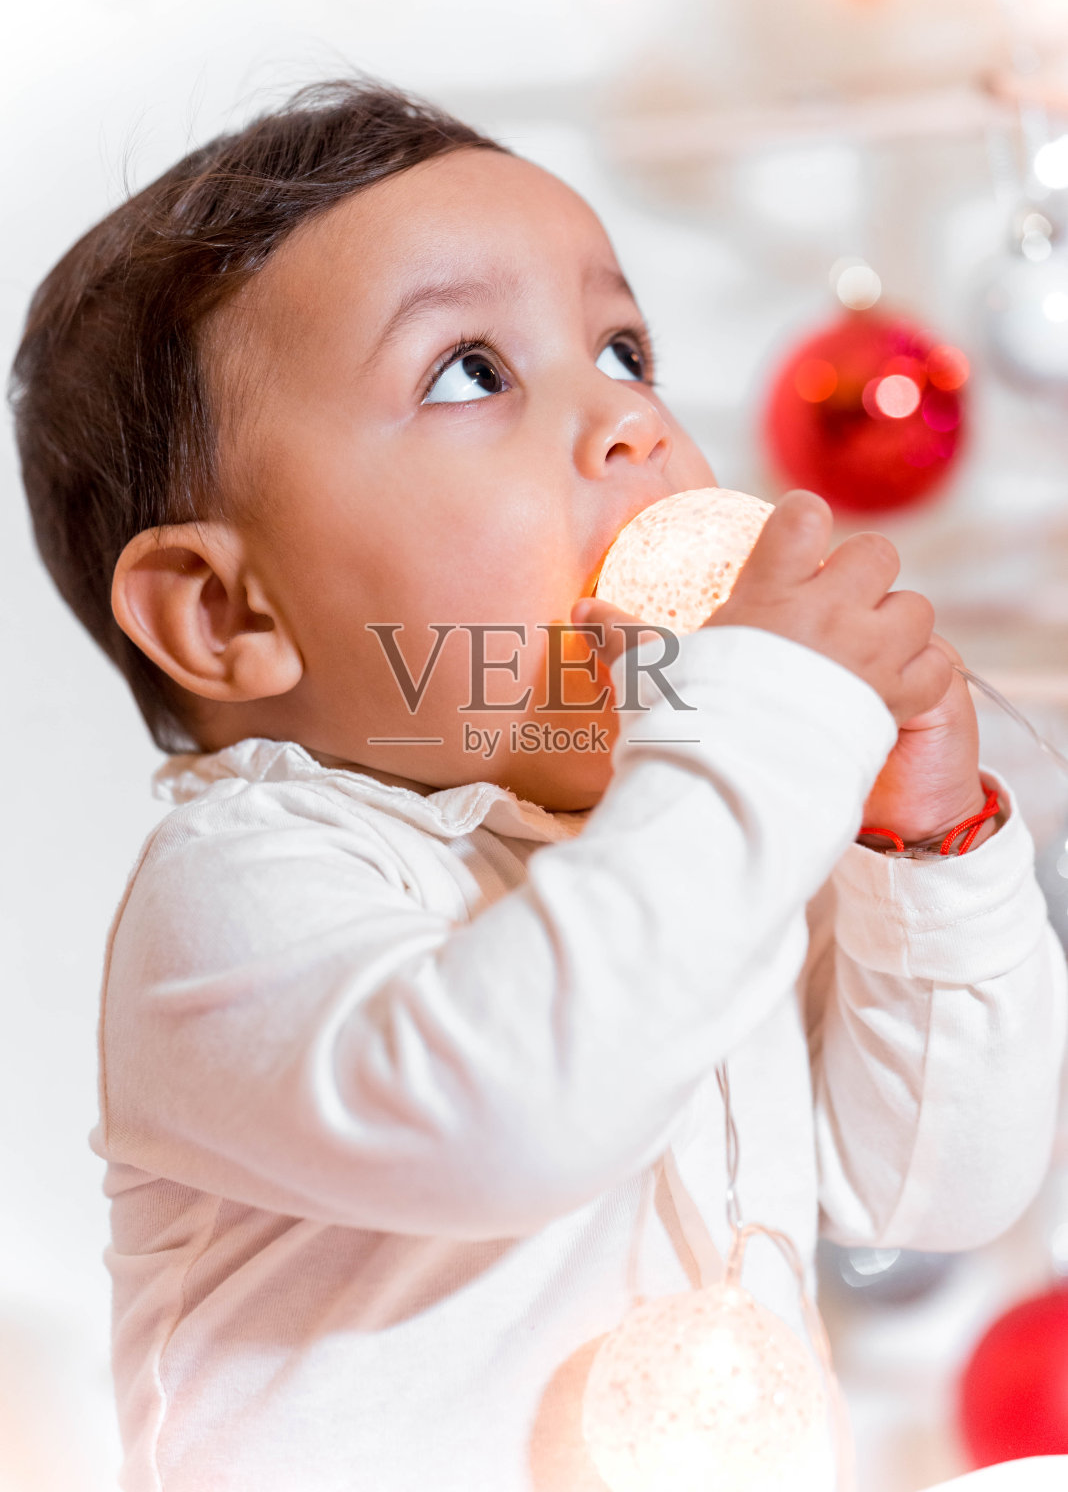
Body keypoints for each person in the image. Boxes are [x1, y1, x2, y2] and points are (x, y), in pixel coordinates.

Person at [10, 80, 1065, 1492]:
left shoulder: (678, 850)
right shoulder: (247, 884)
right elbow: (526, 1107)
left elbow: (936, 1184)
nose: (629, 423)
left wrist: (920, 846)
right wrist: (764, 721)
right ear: (227, 614)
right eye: (469, 372)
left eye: (626, 350)